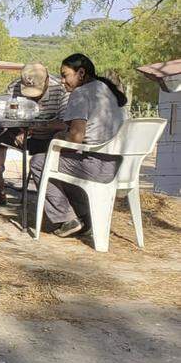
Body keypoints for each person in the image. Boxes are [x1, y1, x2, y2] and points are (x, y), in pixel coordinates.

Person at [31, 54, 127, 238]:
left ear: (81, 73)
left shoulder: (81, 93)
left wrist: (58, 137)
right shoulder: (107, 89)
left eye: (65, 75)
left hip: (98, 165)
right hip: (119, 163)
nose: (62, 80)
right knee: (65, 162)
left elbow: (75, 138)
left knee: (39, 161)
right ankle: (83, 216)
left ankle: (66, 219)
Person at [0, 62, 68, 206]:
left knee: (55, 144)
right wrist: (19, 129)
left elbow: (65, 123)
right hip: (21, 133)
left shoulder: (61, 89)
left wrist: (36, 127)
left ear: (47, 80)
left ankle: (55, 200)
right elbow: (4, 114)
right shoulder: (14, 87)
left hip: (49, 138)